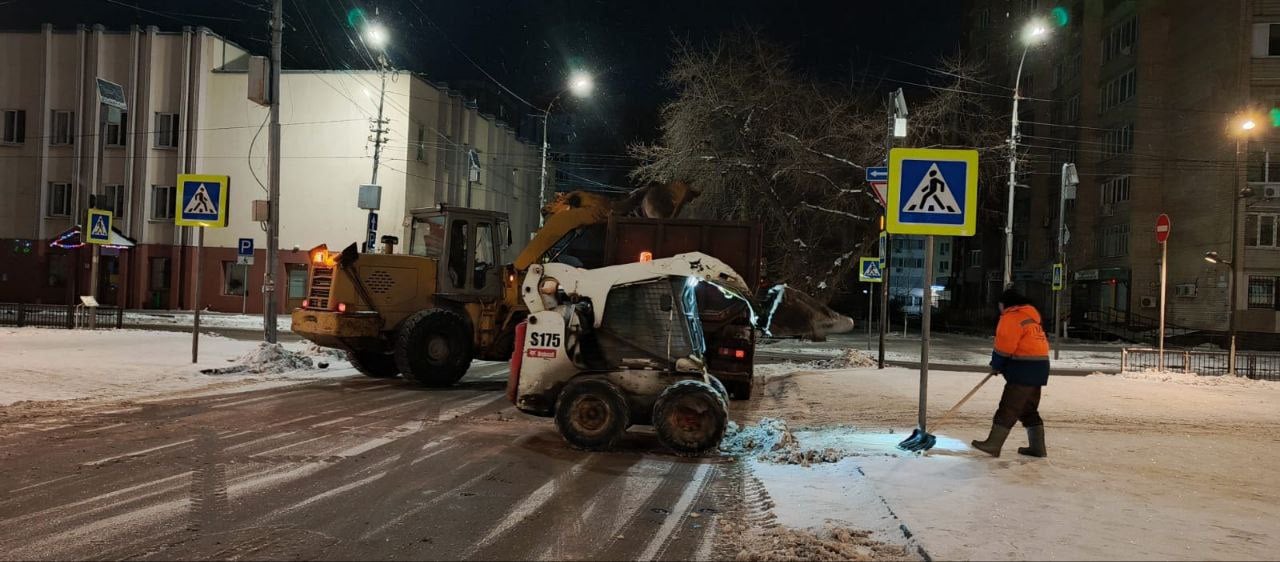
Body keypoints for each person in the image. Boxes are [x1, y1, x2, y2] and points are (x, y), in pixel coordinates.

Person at [972, 289, 1050, 458]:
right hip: (1040, 367)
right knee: (1027, 408)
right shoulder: (1030, 317)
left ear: (1005, 304)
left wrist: (996, 364)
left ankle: (993, 444)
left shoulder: (1011, 317)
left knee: (1009, 407)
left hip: (1024, 368)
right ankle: (1037, 448)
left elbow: (1004, 346)